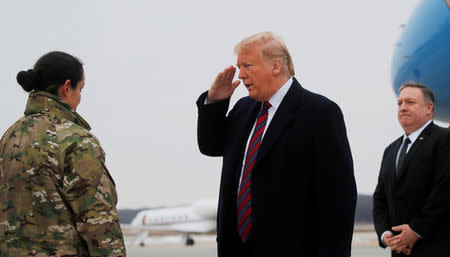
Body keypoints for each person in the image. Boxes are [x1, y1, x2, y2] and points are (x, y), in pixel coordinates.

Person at [196, 32, 357, 257]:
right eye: (239, 66)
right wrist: (215, 102)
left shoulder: (319, 113)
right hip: (236, 248)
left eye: (247, 65)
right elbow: (211, 146)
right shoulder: (243, 110)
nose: (240, 75)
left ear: (276, 66)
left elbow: (339, 199)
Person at [0, 51, 126, 256]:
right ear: (67, 87)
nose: (80, 97)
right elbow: (98, 222)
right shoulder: (75, 140)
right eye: (81, 88)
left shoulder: (9, 137)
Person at [373, 83, 450, 256]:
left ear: (429, 109)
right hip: (399, 250)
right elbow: (380, 198)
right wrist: (386, 234)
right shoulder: (390, 150)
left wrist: (415, 231)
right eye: (399, 104)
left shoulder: (444, 140)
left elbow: (444, 191)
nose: (403, 108)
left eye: (410, 102)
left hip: (437, 247)